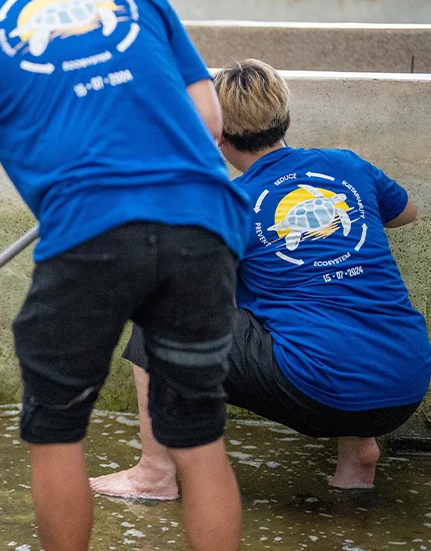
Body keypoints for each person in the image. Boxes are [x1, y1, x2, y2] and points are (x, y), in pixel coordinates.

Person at [0, 0, 247, 551]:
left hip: (89, 237)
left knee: (57, 427)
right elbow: (210, 120)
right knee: (198, 434)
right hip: (203, 228)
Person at [90, 59, 431, 499]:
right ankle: (357, 457)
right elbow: (406, 213)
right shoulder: (346, 165)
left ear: (217, 136)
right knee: (340, 301)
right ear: (287, 118)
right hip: (406, 384)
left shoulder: (228, 205)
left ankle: (154, 474)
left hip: (324, 395)